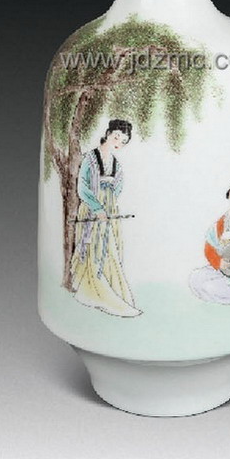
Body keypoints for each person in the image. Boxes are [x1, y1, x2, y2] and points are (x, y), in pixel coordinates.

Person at [70, 119, 142, 317]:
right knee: (93, 247)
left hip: (109, 210)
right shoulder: (91, 158)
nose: (118, 142)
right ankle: (91, 288)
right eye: (116, 137)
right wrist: (97, 207)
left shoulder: (116, 163)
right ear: (108, 133)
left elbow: (117, 187)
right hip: (92, 207)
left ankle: (111, 288)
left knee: (109, 248)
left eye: (123, 141)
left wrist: (109, 204)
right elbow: (82, 187)